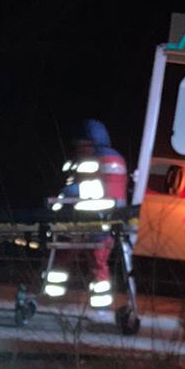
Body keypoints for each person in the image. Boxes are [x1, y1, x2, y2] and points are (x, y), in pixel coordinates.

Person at [55, 120, 128, 309]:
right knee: (99, 265)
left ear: (89, 143)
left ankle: (51, 294)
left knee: (62, 258)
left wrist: (61, 198)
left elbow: (79, 190)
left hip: (85, 223)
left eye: (81, 146)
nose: (78, 150)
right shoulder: (117, 159)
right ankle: (101, 304)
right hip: (111, 226)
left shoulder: (92, 160)